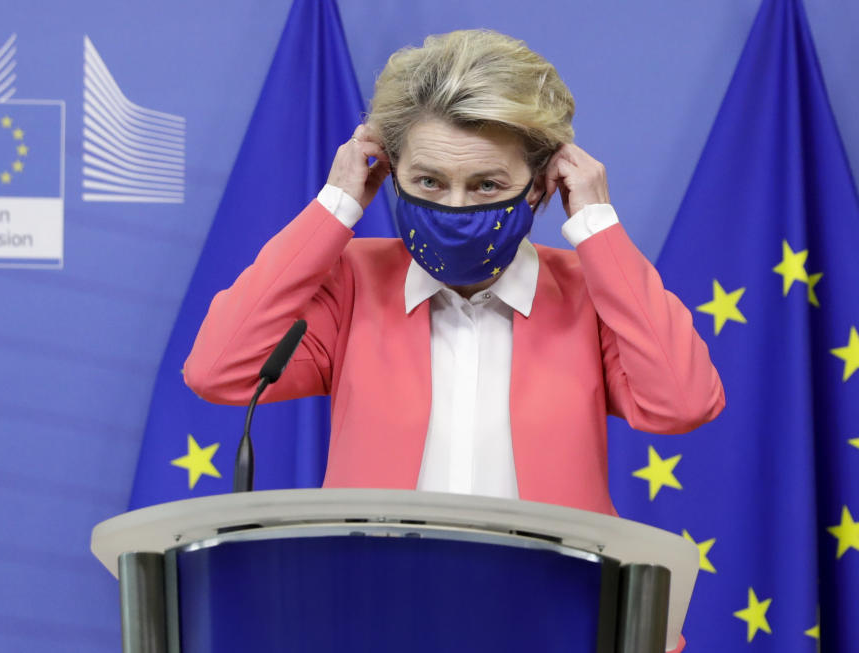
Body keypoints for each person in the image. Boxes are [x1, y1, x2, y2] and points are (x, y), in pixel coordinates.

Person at [183, 29, 724, 516]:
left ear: (538, 185)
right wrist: (334, 207)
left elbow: (682, 402)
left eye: (487, 185)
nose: (456, 206)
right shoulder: (351, 283)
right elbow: (219, 370)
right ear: (392, 176)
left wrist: (598, 226)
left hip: (553, 616)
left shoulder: (592, 294)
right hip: (381, 612)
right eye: (429, 182)